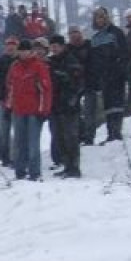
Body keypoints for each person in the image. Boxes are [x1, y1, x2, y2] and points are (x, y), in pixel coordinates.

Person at [7, 39, 52, 181]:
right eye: (20, 51)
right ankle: (19, 172)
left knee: (33, 143)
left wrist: (44, 109)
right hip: (18, 110)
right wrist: (9, 106)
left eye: (25, 51)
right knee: (19, 143)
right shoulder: (15, 66)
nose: (22, 53)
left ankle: (34, 173)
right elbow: (10, 87)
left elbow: (46, 89)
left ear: (30, 51)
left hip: (34, 110)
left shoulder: (38, 66)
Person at [90, 7, 128, 145]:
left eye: (102, 16)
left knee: (117, 103)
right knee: (107, 105)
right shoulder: (95, 38)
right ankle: (110, 132)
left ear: (107, 17)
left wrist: (121, 70)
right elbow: (93, 60)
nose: (100, 19)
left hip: (116, 74)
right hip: (103, 76)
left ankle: (117, 132)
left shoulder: (116, 32)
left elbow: (124, 53)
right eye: (98, 17)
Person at [48, 35, 84, 178]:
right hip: (55, 105)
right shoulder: (51, 62)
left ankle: (74, 168)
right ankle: (67, 166)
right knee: (59, 137)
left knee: (71, 137)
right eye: (52, 46)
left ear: (63, 46)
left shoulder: (71, 60)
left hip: (69, 105)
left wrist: (72, 98)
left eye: (56, 45)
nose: (54, 48)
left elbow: (78, 82)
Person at [0, 36, 19, 167]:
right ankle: (5, 156)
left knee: (16, 130)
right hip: (3, 99)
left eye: (13, 45)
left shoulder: (20, 61)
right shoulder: (1, 60)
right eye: (8, 45)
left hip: (17, 100)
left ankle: (15, 156)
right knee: (4, 130)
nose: (10, 47)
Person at [67, 25, 96, 146]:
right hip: (74, 84)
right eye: (71, 33)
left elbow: (95, 62)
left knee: (89, 111)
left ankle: (89, 137)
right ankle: (80, 135)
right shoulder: (67, 49)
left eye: (76, 32)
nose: (74, 35)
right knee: (75, 112)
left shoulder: (90, 45)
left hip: (90, 82)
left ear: (81, 33)